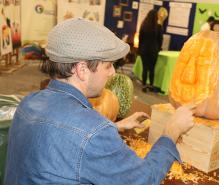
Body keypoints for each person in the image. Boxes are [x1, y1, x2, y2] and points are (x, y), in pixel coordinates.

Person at [5, 18, 194, 185]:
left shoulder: (27, 103)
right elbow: (144, 179)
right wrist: (171, 132)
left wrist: (114, 126)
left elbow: (62, 140)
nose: (113, 72)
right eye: (108, 65)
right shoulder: (93, 133)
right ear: (82, 70)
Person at [138, 9, 163, 93]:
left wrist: (139, 49)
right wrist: (158, 48)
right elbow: (160, 40)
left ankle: (144, 85)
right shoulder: (158, 27)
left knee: (145, 69)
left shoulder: (143, 25)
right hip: (153, 51)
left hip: (144, 50)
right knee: (152, 69)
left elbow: (140, 39)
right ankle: (151, 86)